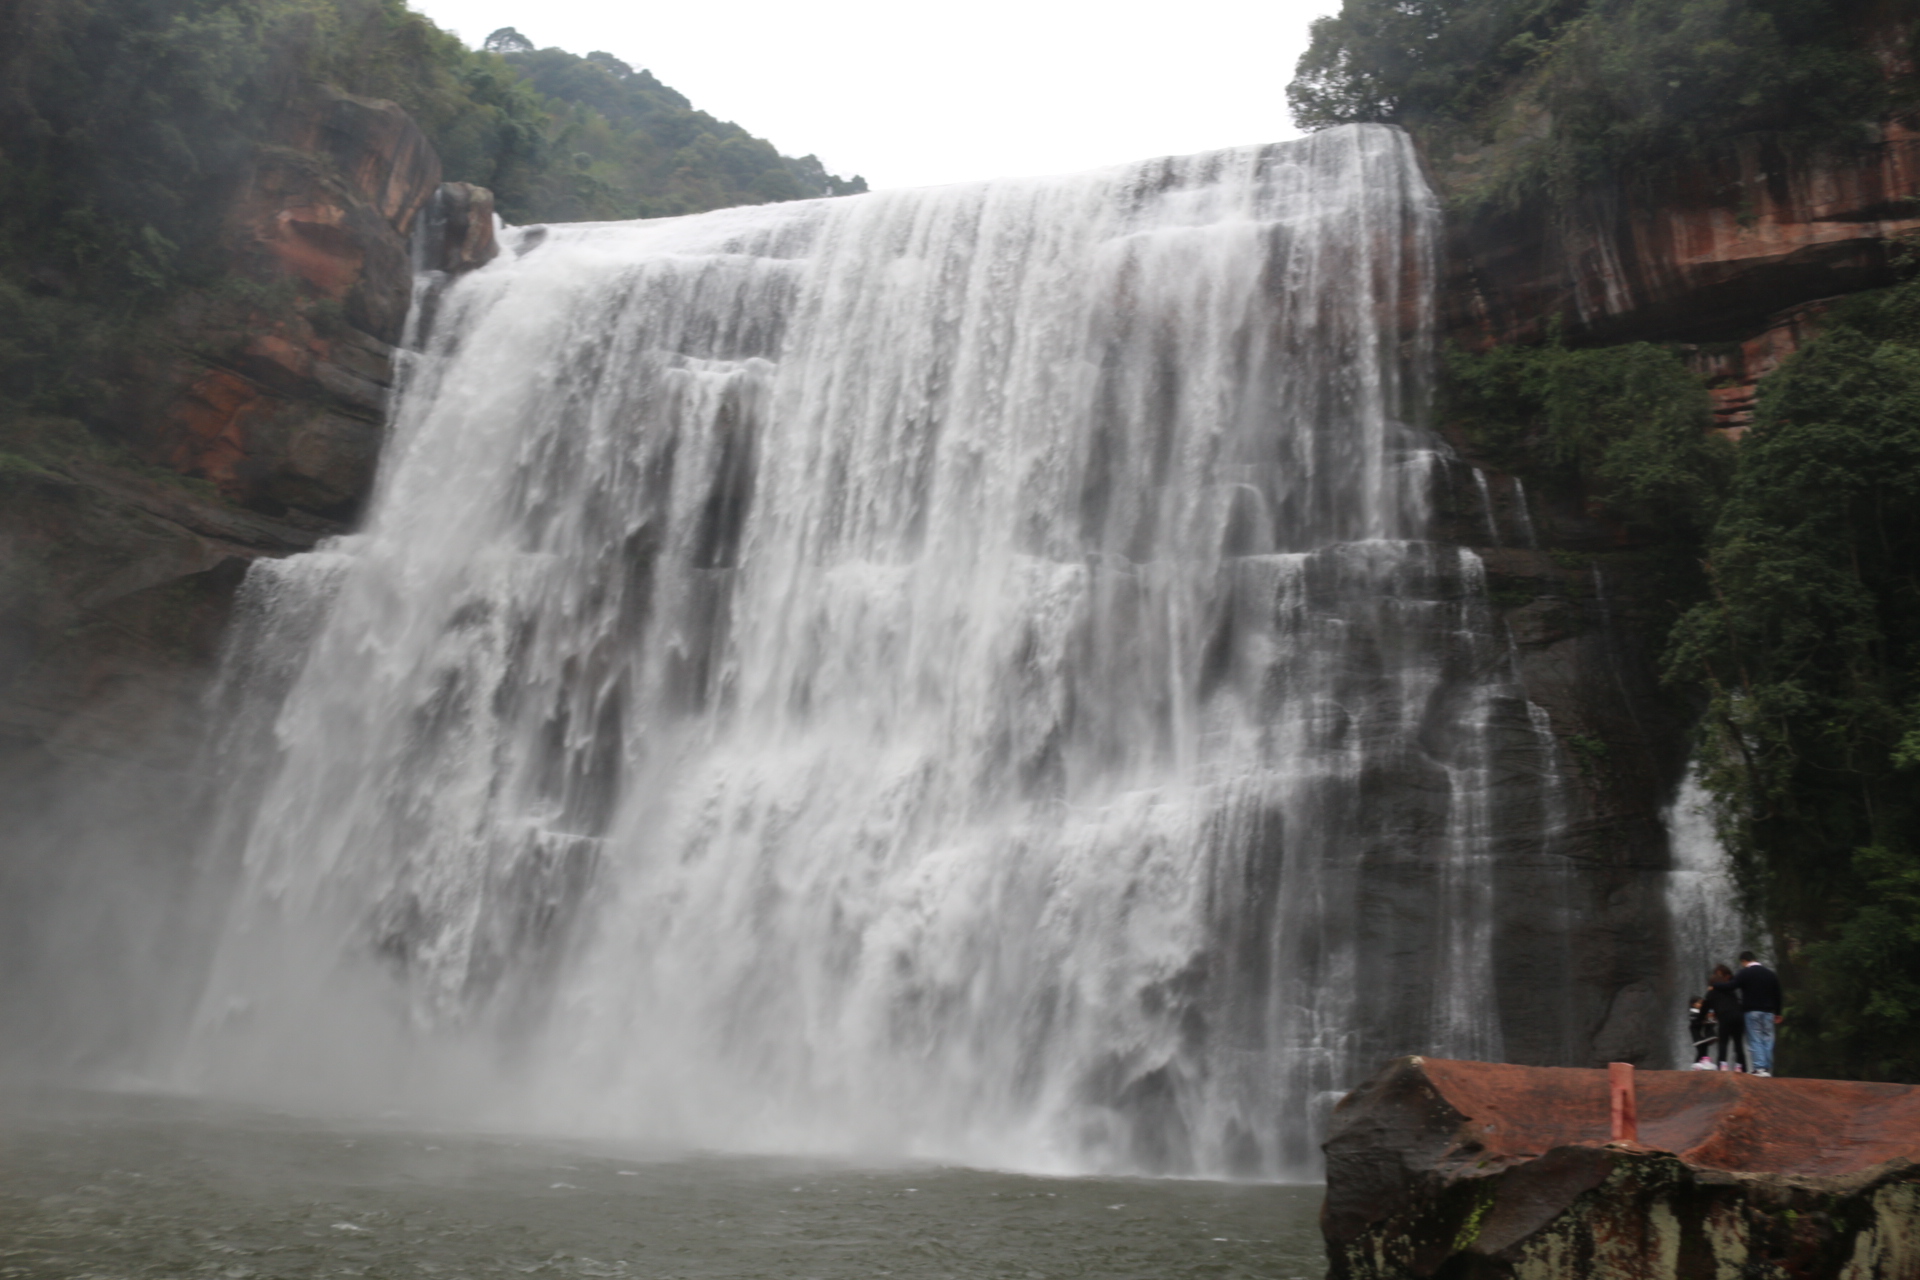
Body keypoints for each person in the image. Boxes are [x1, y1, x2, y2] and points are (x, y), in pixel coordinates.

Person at [1734, 950, 1783, 1077]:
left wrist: (1715, 985)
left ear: (1744, 961)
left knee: (1755, 1039)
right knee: (1768, 1039)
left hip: (1752, 1012)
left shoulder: (1745, 973)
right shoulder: (1770, 974)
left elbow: (1732, 985)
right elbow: (1777, 995)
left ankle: (1759, 1068)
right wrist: (1778, 1012)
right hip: (1768, 1013)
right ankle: (1767, 1069)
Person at [1703, 964, 1747, 1071]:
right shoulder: (1731, 991)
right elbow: (1738, 1004)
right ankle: (1741, 1067)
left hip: (1725, 1017)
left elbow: (1707, 1009)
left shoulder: (1711, 993)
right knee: (1738, 1043)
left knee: (1723, 1042)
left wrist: (1703, 1021)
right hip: (1738, 1017)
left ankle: (1722, 1065)